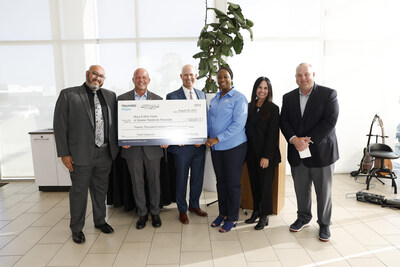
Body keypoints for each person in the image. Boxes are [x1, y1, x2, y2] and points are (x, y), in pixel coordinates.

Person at [53, 65, 118, 244]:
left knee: (100, 190)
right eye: (95, 74)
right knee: (79, 192)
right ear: (87, 74)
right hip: (79, 154)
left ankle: (100, 221)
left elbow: (116, 124)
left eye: (101, 76)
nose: (97, 78)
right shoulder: (68, 95)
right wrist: (64, 153)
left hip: (105, 152)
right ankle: (77, 228)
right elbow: (60, 126)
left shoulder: (110, 96)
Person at [280, 63, 339, 242]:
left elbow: (330, 121)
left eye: (306, 74)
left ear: (313, 74)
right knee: (301, 189)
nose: (303, 78)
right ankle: (303, 217)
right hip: (298, 152)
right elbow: (284, 122)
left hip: (321, 153)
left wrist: (308, 140)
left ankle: (324, 224)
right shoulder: (288, 97)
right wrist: (294, 139)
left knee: (323, 192)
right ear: (295, 77)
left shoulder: (328, 94)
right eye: (299, 75)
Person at [118, 68, 166, 230]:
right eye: (138, 77)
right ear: (133, 80)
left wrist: (165, 139)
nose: (141, 80)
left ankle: (155, 213)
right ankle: (142, 214)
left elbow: (163, 123)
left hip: (153, 149)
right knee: (136, 183)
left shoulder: (158, 100)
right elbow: (117, 124)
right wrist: (121, 139)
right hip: (132, 150)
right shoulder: (122, 99)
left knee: (154, 182)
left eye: (144, 77)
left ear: (149, 80)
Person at [206, 66, 248, 233]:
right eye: (219, 77)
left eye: (225, 76)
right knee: (221, 181)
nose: (222, 79)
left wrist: (217, 138)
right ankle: (222, 213)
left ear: (231, 78)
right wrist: (207, 138)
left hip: (234, 147)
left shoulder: (239, 98)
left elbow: (238, 125)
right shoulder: (215, 99)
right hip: (217, 149)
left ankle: (232, 217)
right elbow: (210, 123)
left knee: (232, 183)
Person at [166, 64, 207, 224]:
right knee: (181, 179)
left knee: (197, 178)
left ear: (196, 75)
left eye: (191, 75)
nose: (189, 77)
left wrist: (202, 138)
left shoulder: (202, 95)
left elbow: (204, 119)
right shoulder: (172, 96)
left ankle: (194, 205)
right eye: (185, 75)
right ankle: (182, 209)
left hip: (198, 147)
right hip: (181, 147)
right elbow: (169, 120)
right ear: (181, 76)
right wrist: (177, 138)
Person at [245, 77, 281, 230]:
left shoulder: (273, 108)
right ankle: (256, 211)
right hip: (251, 154)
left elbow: (273, 135)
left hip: (267, 155)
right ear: (255, 89)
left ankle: (264, 216)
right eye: (260, 87)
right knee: (254, 185)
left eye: (265, 88)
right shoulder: (249, 106)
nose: (262, 91)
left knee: (265, 186)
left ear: (269, 91)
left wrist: (266, 156)